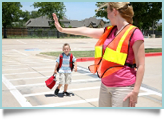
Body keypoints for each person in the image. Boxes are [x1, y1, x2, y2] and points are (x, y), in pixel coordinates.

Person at [52, 2, 145, 107]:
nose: (107, 16)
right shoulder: (109, 31)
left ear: (114, 12)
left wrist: (136, 91)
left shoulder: (134, 33)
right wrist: (62, 29)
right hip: (105, 85)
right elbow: (85, 30)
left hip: (123, 87)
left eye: (107, 12)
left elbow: (141, 65)